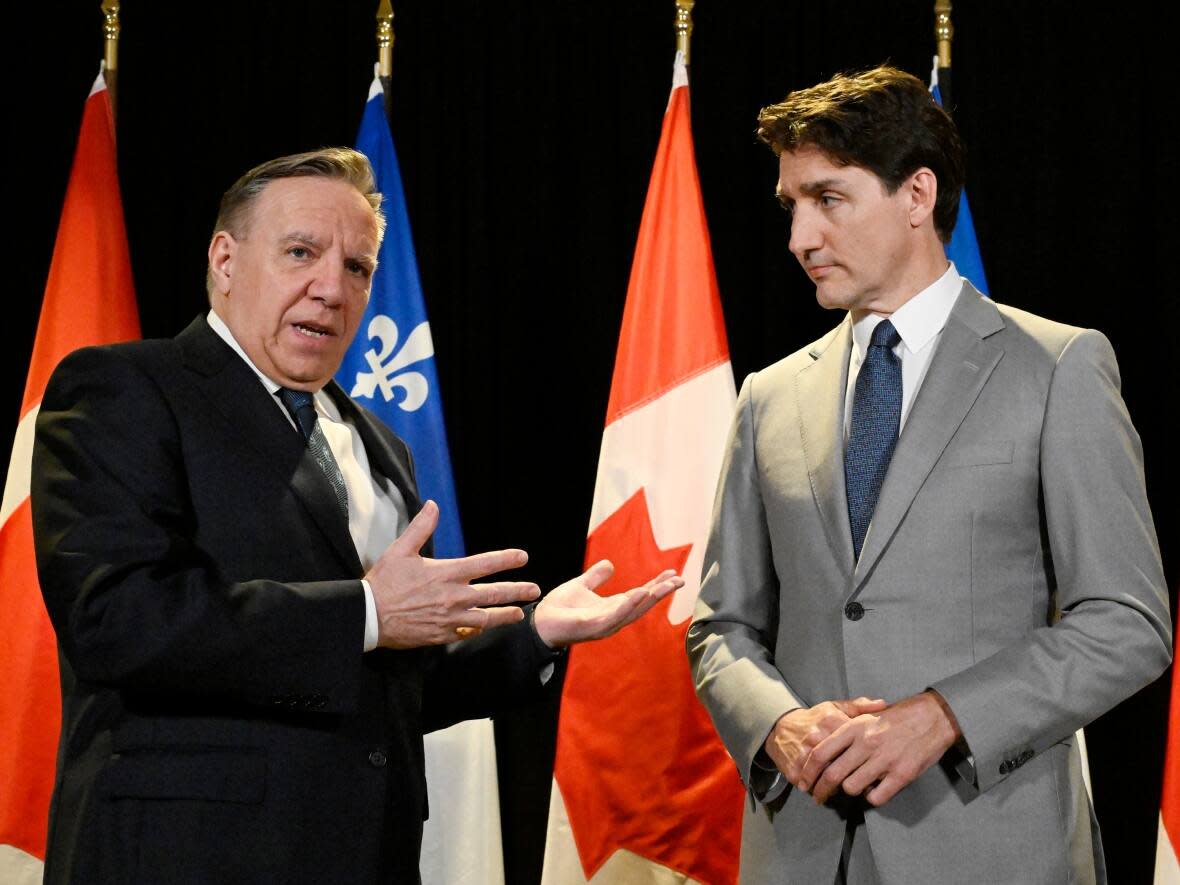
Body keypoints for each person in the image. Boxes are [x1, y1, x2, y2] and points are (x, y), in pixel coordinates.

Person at [31, 147, 683, 884]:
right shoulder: (124, 390)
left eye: (358, 268)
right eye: (301, 252)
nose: (331, 289)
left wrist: (533, 637)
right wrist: (367, 610)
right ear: (224, 260)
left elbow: (384, 682)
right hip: (184, 856)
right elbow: (119, 621)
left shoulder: (379, 446)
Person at [686, 65, 1171, 884]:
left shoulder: (1056, 368)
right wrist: (780, 725)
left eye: (828, 199)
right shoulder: (768, 396)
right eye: (791, 206)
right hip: (804, 853)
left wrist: (946, 715)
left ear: (917, 195)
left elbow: (1128, 622)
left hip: (992, 848)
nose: (800, 237)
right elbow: (719, 625)